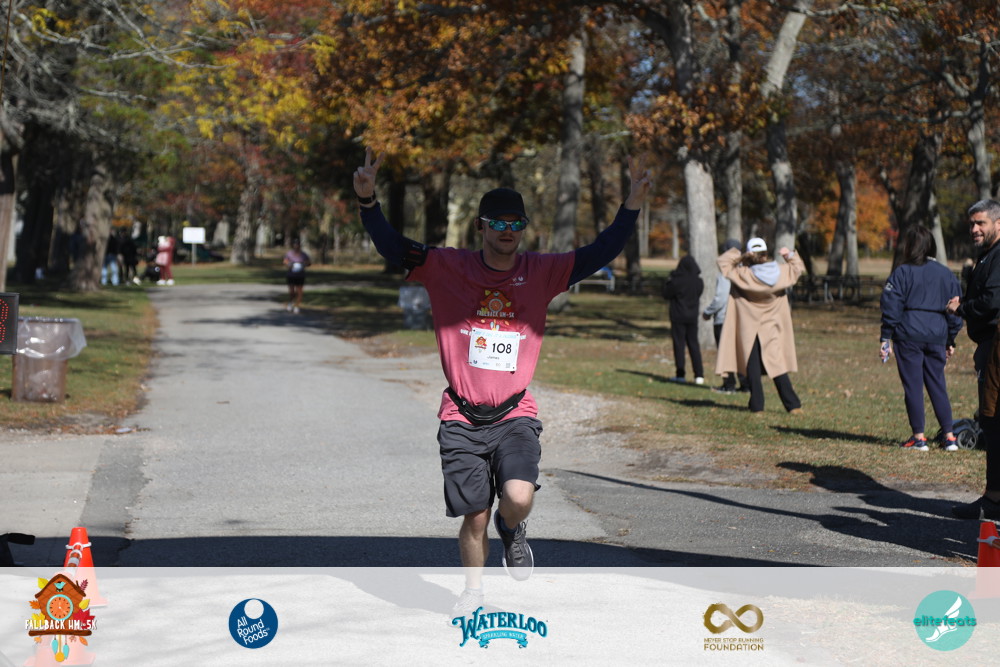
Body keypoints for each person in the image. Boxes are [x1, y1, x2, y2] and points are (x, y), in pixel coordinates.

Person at [353, 147, 650, 612]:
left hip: (514, 414)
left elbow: (600, 252)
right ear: (481, 226)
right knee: (475, 516)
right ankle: (473, 594)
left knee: (518, 497)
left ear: (523, 228)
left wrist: (631, 205)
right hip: (461, 417)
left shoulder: (542, 272)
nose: (507, 231)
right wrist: (368, 201)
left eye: (516, 224)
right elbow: (393, 246)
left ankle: (512, 527)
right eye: (498, 223)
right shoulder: (446, 267)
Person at [879, 225, 963, 451]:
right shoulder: (946, 274)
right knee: (938, 384)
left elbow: (891, 305)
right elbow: (956, 307)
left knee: (913, 386)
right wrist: (950, 338)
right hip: (937, 334)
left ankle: (919, 438)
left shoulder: (902, 272)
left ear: (909, 247)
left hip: (908, 334)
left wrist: (886, 336)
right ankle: (949, 437)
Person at [946, 199, 1000, 519]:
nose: (975, 229)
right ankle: (993, 498)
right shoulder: (987, 255)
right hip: (989, 347)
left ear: (998, 223)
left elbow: (993, 301)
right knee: (991, 422)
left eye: (981, 223)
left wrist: (962, 308)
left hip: (996, 349)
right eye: (971, 224)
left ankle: (993, 501)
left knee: (993, 421)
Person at [715, 237, 804, 414]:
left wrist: (740, 255)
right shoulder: (782, 272)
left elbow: (723, 262)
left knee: (752, 365)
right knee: (776, 363)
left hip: (747, 325)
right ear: (765, 254)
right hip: (772, 325)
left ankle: (757, 406)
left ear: (750, 254)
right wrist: (789, 255)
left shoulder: (743, 275)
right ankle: (793, 405)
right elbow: (798, 267)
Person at [703, 238, 748, 394]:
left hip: (724, 318)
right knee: (740, 352)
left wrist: (708, 312)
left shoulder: (726, 271)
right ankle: (746, 384)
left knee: (725, 353)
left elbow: (721, 297)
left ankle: (729, 384)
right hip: (741, 318)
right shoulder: (745, 269)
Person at [662, 255, 704, 384]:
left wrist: (669, 280)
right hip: (692, 317)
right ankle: (699, 375)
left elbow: (666, 293)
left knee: (679, 345)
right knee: (694, 345)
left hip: (678, 316)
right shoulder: (698, 282)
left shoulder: (677, 281)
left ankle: (680, 374)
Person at [283, 239, 311, 314]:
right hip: (291, 275)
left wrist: (303, 264)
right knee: (292, 291)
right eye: (295, 244)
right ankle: (291, 302)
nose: (296, 246)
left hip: (300, 275)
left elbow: (309, 262)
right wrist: (289, 264)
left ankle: (297, 306)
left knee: (299, 291)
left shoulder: (303, 254)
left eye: (297, 244)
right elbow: (285, 261)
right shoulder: (289, 253)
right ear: (293, 245)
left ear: (299, 246)